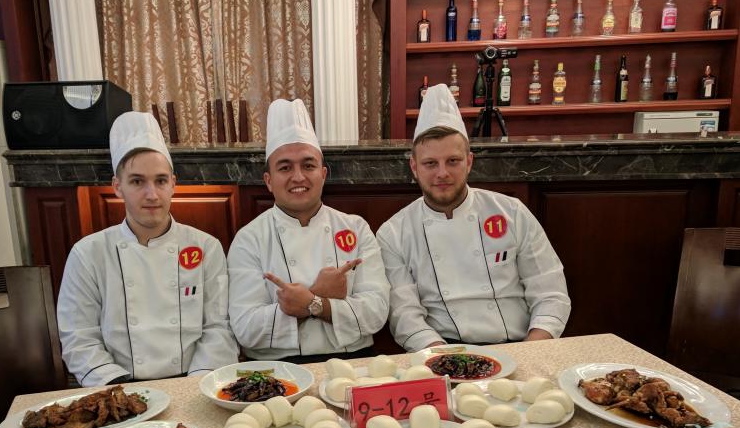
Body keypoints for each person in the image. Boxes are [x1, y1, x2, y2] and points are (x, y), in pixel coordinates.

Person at [377, 84, 570, 351]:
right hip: (443, 350)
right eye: (430, 163)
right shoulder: (393, 233)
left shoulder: (511, 212)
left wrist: (530, 351)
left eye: (453, 161)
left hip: (521, 345)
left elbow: (550, 292)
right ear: (414, 167)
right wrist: (447, 359)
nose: (442, 173)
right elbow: (405, 317)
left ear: (469, 162)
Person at [57, 111, 237, 385]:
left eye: (160, 180)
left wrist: (193, 385)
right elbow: (79, 337)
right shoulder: (87, 254)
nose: (152, 194)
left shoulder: (206, 247)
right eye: (137, 181)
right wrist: (121, 392)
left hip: (194, 382)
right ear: (118, 187)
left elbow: (219, 328)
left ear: (173, 184)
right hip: (120, 388)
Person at [227, 98, 389, 362]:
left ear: (323, 175)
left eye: (308, 165)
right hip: (278, 369)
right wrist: (321, 295)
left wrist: (311, 302)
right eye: (285, 167)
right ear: (269, 181)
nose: (298, 177)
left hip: (354, 361)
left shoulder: (356, 228)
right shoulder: (249, 239)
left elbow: (376, 312)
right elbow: (246, 328)